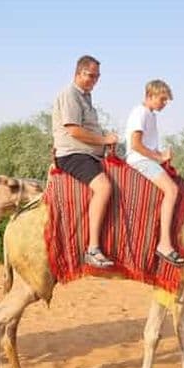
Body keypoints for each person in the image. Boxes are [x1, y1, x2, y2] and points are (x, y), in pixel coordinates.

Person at [52, 55, 119, 268]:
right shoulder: (70, 94)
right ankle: (92, 249)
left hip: (89, 154)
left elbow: (88, 128)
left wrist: (106, 142)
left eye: (97, 76)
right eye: (90, 75)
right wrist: (103, 140)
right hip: (73, 154)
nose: (94, 80)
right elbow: (73, 130)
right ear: (78, 73)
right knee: (103, 188)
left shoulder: (85, 97)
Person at [125, 79, 184, 266]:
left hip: (147, 159)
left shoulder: (150, 115)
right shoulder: (140, 112)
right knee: (172, 190)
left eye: (166, 100)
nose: (164, 103)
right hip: (139, 160)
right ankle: (164, 244)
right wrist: (158, 158)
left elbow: (148, 145)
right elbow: (135, 144)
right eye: (162, 99)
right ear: (150, 96)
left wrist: (162, 156)